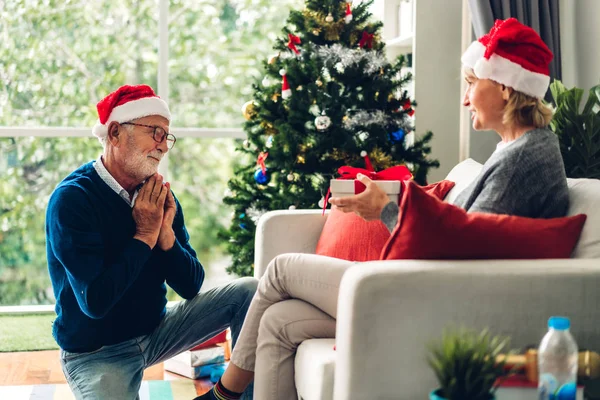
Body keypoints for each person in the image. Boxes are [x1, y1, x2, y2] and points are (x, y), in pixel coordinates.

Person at [194, 18, 569, 400]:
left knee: (280, 269)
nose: (464, 97)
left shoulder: (525, 158)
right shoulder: (517, 150)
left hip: (420, 294)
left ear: (505, 88)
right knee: (277, 321)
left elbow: (465, 248)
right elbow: (463, 234)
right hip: (416, 283)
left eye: (472, 83)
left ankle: (223, 394)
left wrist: (387, 210)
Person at [45, 84, 258, 400]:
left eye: (167, 136)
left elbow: (190, 286)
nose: (163, 145)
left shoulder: (157, 195)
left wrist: (166, 237)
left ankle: (226, 395)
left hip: (157, 330)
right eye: (154, 132)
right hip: (96, 352)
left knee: (249, 292)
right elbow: (95, 302)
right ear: (115, 133)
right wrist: (144, 236)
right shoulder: (73, 200)